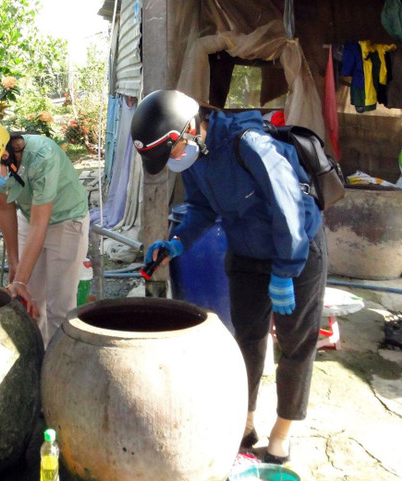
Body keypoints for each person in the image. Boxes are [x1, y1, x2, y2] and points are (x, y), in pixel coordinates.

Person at [132, 90, 327, 465]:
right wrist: (175, 243)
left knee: (294, 341)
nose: (174, 161)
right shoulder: (195, 159)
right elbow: (202, 209)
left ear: (190, 129)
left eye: (171, 152)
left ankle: (281, 432)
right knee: (248, 337)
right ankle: (246, 420)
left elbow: (290, 210)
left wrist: (286, 272)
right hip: (246, 250)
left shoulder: (249, 144)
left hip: (296, 248)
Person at [0, 114, 89, 347]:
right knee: (29, 300)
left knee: (59, 306)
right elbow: (5, 210)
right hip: (30, 217)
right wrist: (14, 263)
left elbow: (41, 224)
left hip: (66, 220)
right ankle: (33, 355)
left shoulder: (43, 156)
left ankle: (57, 364)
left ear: (3, 155)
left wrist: (20, 279)